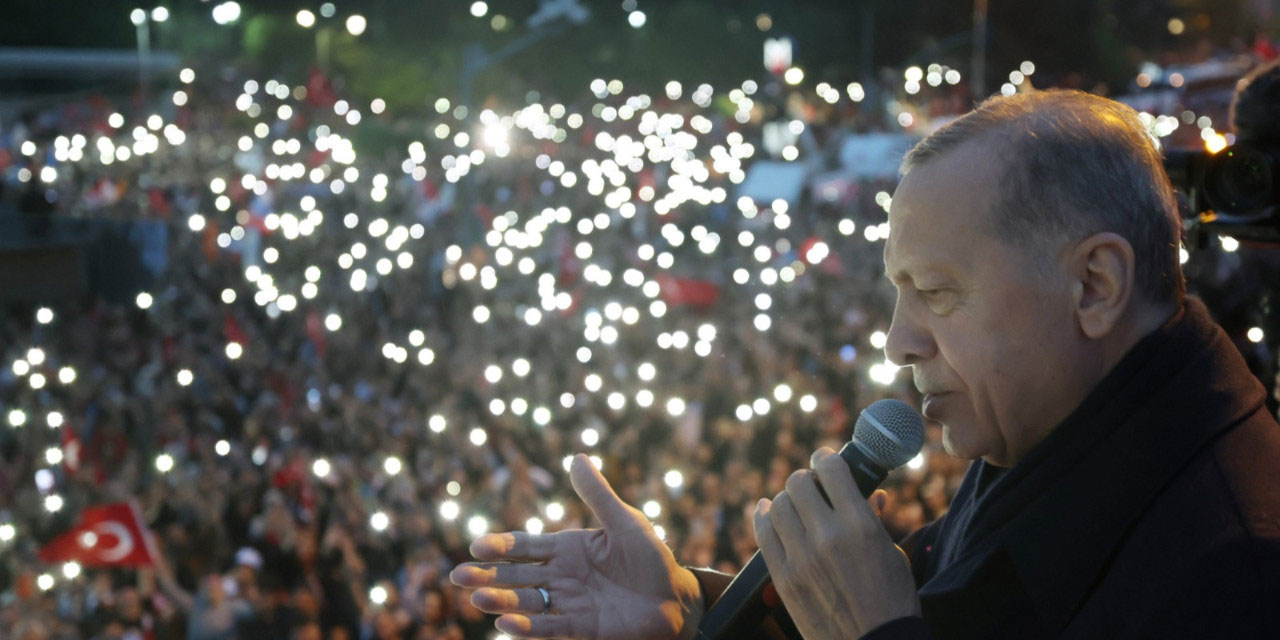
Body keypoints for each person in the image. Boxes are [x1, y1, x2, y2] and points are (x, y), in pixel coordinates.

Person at [452, 88, 1280, 639]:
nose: (898, 339)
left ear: (1094, 286)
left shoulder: (1237, 570)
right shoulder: (1059, 427)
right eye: (897, 292)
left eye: (937, 293)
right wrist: (693, 606)